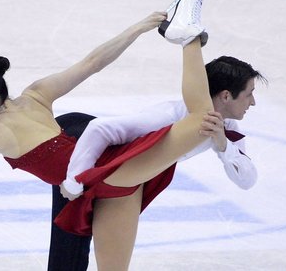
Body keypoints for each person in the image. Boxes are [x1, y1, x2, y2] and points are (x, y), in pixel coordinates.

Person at [0, 0, 217, 270]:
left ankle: (188, 34)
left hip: (100, 168)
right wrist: (137, 28)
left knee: (196, 120)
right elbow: (92, 63)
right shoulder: (35, 95)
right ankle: (187, 36)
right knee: (192, 124)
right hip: (97, 163)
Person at [61, 55, 266, 200]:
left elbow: (247, 180)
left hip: (118, 169)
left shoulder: (227, 126)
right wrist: (74, 179)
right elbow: (99, 129)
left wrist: (224, 146)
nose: (253, 102)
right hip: (77, 145)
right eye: (249, 94)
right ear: (226, 96)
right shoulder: (167, 118)